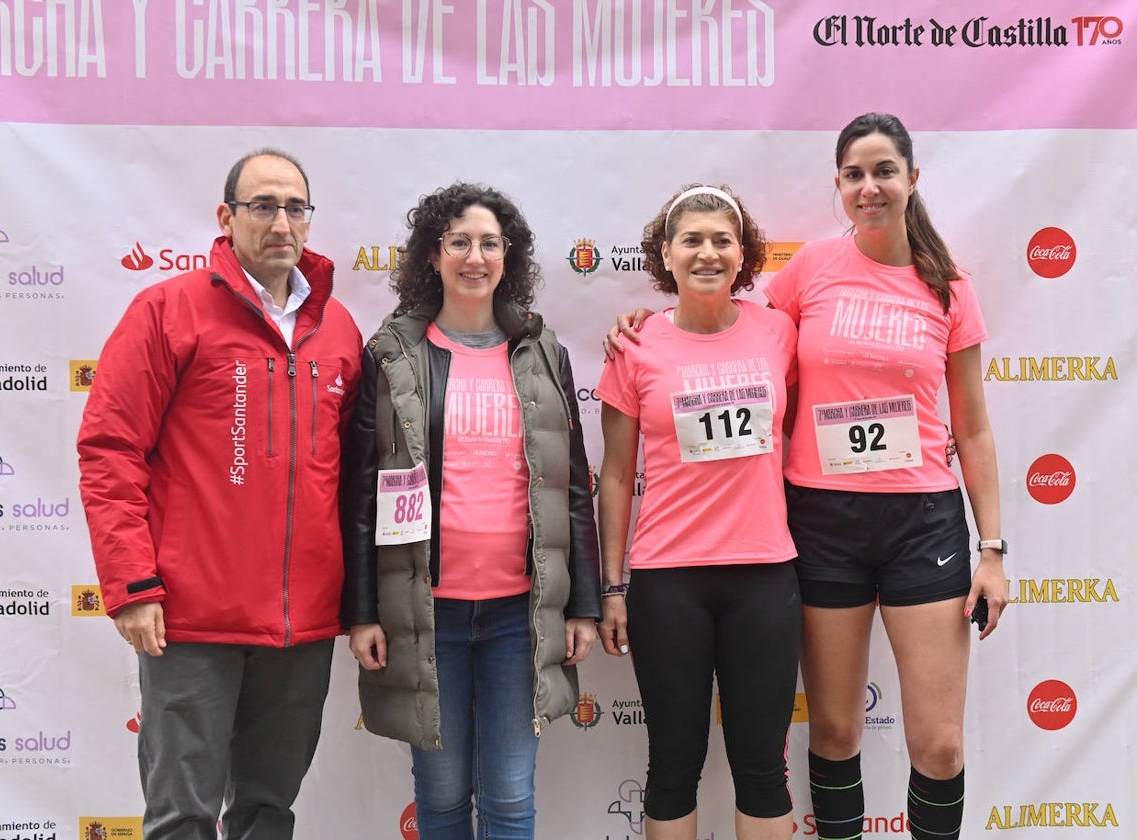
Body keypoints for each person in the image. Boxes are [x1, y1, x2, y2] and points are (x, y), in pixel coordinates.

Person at [608, 114, 1008, 840]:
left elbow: (974, 428)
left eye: (884, 170)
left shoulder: (949, 286)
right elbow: (724, 331)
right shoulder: (810, 273)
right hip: (821, 520)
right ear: (838, 184)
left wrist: (995, 548)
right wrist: (648, 323)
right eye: (854, 174)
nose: (870, 186)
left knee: (941, 743)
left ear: (912, 179)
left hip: (923, 519)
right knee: (830, 728)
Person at [77, 149, 363, 840]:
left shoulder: (341, 330)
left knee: (268, 814)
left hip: (301, 626)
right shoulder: (167, 310)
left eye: (295, 207)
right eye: (263, 206)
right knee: (182, 818)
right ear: (226, 217)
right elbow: (110, 451)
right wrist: (133, 585)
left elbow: (355, 478)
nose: (281, 223)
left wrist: (359, 602)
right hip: (190, 620)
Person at [340, 182, 601, 840]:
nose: (475, 256)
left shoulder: (544, 354)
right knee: (444, 793)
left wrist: (585, 606)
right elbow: (363, 490)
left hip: (522, 614)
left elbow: (573, 486)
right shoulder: (393, 355)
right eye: (459, 242)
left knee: (511, 795)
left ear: (509, 255)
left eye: (490, 242)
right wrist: (363, 610)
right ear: (434, 254)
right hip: (427, 615)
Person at [596, 185, 801, 840]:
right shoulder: (635, 346)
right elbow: (618, 475)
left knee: (763, 768)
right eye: (692, 240)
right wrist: (612, 587)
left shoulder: (778, 331)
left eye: (722, 240)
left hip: (766, 575)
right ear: (665, 253)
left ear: (743, 254)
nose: (708, 253)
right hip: (667, 581)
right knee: (673, 766)